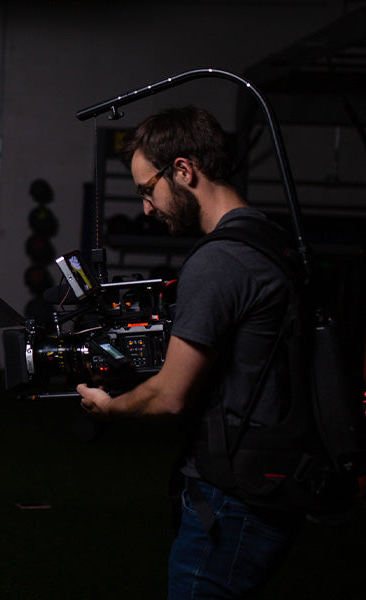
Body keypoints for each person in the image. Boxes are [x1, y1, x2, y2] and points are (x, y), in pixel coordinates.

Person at [76, 106, 302, 599]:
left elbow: (170, 396)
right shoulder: (268, 237)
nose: (146, 208)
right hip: (265, 480)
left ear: (183, 170)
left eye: (146, 190)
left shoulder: (219, 261)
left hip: (234, 498)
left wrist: (109, 407)